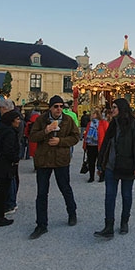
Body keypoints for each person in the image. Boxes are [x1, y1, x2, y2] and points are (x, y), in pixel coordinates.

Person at [27, 95, 81, 240]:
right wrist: (45, 131)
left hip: (60, 160)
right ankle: (41, 224)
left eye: (61, 106)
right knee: (42, 193)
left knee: (65, 188)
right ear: (50, 108)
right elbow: (32, 137)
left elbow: (76, 137)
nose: (58, 109)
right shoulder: (41, 120)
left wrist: (60, 141)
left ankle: (72, 212)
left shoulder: (68, 120)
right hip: (44, 160)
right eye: (56, 106)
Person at [94, 98, 135, 239]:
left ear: (121, 108)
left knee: (126, 195)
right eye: (112, 107)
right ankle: (108, 226)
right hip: (111, 166)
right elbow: (105, 145)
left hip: (127, 165)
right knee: (109, 196)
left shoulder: (133, 125)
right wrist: (100, 163)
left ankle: (124, 222)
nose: (112, 109)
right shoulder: (113, 124)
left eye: (115, 107)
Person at [0, 97, 21, 215]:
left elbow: (10, 144)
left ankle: (9, 204)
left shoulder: (9, 123)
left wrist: (15, 157)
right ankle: (8, 203)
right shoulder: (8, 122)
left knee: (9, 180)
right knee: (10, 180)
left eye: (0, 108)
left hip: (7, 157)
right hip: (10, 155)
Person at [82, 109, 108, 183]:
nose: (92, 115)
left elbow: (107, 134)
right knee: (91, 162)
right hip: (90, 145)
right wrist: (84, 145)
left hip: (99, 145)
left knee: (100, 162)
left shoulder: (103, 123)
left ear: (98, 114)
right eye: (92, 114)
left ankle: (101, 175)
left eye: (94, 114)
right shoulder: (90, 123)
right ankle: (91, 176)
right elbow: (86, 134)